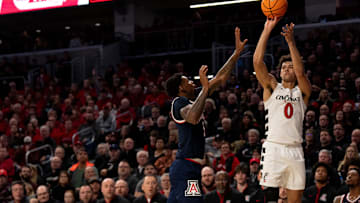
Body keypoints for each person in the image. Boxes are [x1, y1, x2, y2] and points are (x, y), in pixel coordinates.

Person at [165, 27, 247, 203]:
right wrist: (205, 90)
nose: (193, 82)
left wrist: (236, 53)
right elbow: (193, 117)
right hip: (185, 167)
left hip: (189, 167)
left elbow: (220, 78)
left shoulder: (195, 99)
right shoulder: (178, 102)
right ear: (180, 88)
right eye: (188, 81)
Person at [253, 17, 312, 203]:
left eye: (290, 66)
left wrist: (291, 42)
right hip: (273, 147)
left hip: (295, 148)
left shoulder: (302, 92)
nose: (287, 69)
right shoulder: (272, 87)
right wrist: (267, 29)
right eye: (284, 67)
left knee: (295, 200)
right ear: (279, 72)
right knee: (269, 197)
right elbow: (257, 61)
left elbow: (301, 73)